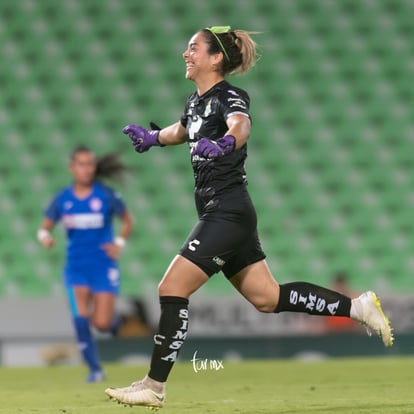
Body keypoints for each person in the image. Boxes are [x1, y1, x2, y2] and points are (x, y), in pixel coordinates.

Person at [105, 26, 393, 408]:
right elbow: (183, 130)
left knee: (172, 288)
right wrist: (153, 138)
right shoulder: (196, 102)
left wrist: (225, 142)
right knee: (267, 298)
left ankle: (154, 386)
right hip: (222, 211)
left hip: (228, 211)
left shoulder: (231, 95)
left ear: (216, 58)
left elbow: (241, 126)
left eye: (193, 48)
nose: (185, 54)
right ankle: (357, 307)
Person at [37, 146, 134, 382]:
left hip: (103, 265)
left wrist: (119, 242)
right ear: (72, 168)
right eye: (81, 164)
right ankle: (95, 370)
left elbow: (127, 221)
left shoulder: (106, 195)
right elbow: (44, 228)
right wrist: (46, 238)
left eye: (90, 164)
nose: (86, 169)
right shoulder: (63, 199)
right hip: (76, 267)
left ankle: (114, 320)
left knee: (101, 324)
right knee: (80, 319)